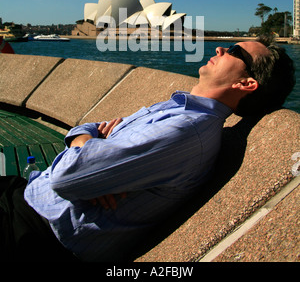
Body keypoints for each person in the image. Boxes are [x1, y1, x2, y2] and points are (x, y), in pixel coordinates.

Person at [0, 37, 295, 262]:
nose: (220, 49)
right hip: (27, 194)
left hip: (34, 229)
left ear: (246, 83)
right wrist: (86, 143)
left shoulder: (186, 131)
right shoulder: (179, 109)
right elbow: (91, 131)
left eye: (235, 52)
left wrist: (93, 154)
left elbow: (66, 177)